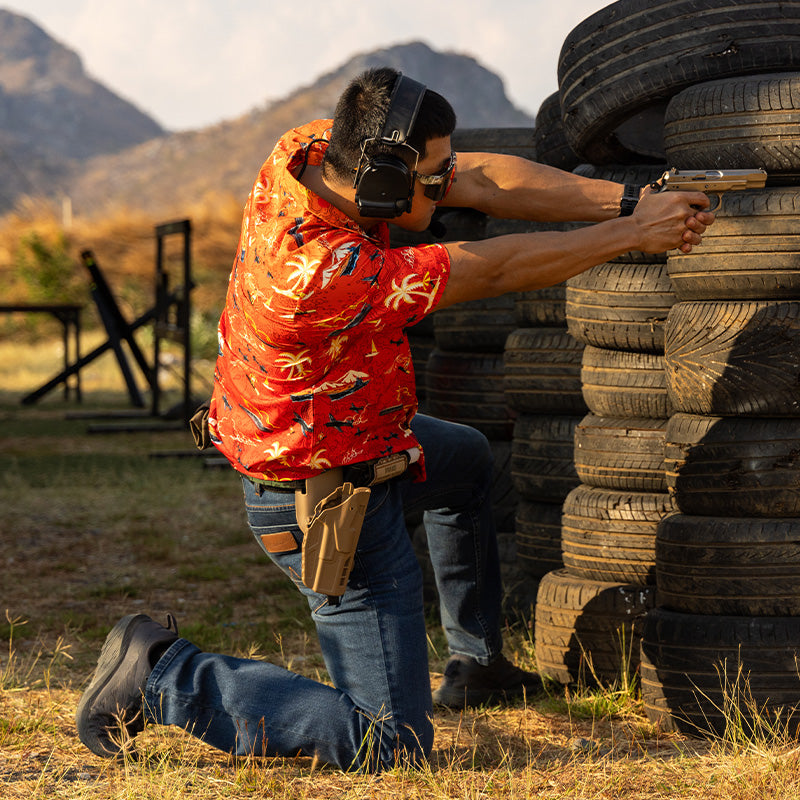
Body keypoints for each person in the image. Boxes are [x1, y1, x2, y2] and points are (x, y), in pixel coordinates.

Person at [76, 67, 714, 772]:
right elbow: (494, 269)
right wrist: (632, 234)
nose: (448, 188)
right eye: (431, 177)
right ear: (380, 177)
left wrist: (634, 196)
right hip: (325, 494)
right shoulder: (320, 270)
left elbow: (481, 180)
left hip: (365, 435)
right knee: (388, 743)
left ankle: (476, 664)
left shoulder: (313, 151)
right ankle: (162, 671)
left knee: (466, 460)